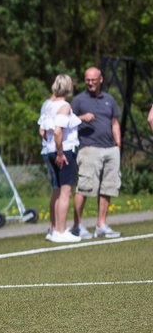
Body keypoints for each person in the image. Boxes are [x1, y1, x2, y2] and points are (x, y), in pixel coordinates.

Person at [71, 66, 122, 238]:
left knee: (108, 188)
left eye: (93, 79)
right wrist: (81, 118)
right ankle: (77, 226)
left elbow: (114, 122)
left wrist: (118, 145)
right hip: (88, 149)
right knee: (84, 188)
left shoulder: (109, 99)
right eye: (87, 80)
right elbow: (65, 122)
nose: (90, 82)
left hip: (110, 149)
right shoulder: (78, 100)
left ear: (100, 79)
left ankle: (101, 225)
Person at [39, 75, 81, 243]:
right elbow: (58, 131)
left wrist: (51, 148)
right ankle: (61, 231)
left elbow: (42, 131)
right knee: (65, 191)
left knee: (56, 190)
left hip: (47, 150)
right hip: (63, 151)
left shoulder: (46, 105)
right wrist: (60, 153)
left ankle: (54, 228)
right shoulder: (64, 106)